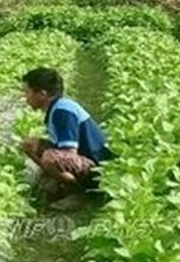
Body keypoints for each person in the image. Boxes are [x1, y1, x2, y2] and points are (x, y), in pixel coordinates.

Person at [20, 67, 114, 211]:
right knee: (30, 144)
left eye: (27, 92)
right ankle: (62, 184)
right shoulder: (56, 108)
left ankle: (79, 193)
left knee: (50, 158)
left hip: (97, 169)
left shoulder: (62, 111)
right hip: (84, 161)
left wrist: (48, 169)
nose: (25, 98)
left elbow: (68, 153)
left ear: (42, 94)